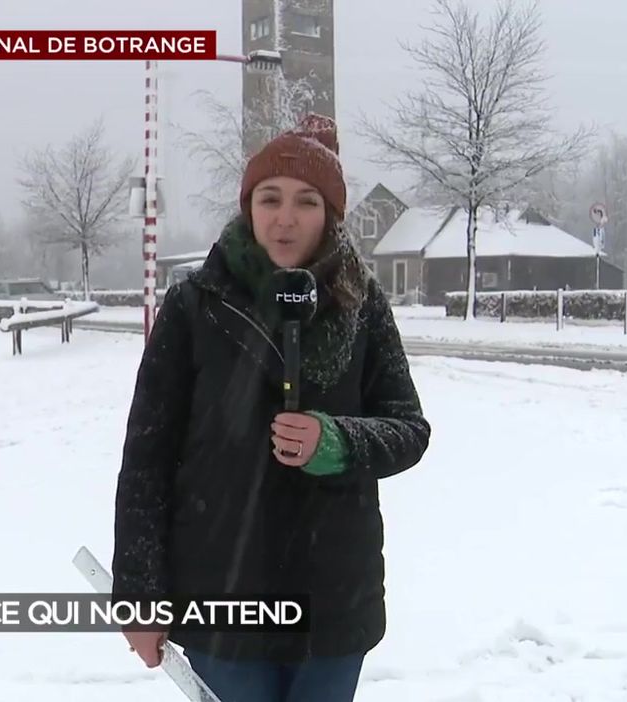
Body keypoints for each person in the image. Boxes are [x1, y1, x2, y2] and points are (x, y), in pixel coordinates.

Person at [111, 113, 431, 702]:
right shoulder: (194, 306)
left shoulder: (363, 306)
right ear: (248, 205)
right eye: (270, 197)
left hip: (333, 602)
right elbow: (147, 461)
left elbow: (408, 429)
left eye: (307, 201)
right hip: (222, 600)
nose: (285, 218)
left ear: (330, 214)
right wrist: (140, 596)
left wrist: (337, 441)